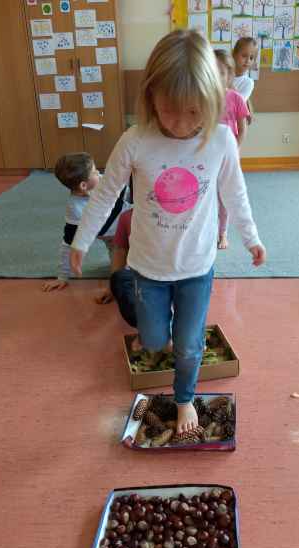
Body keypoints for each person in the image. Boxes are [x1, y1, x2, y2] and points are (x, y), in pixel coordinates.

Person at [69, 29, 267, 434]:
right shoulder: (135, 140)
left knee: (190, 345)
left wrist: (251, 237)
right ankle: (135, 298)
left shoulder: (221, 140)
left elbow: (235, 194)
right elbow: (106, 193)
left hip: (196, 267)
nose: (180, 124)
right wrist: (82, 240)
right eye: (169, 110)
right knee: (155, 339)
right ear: (151, 97)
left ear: (212, 102)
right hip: (148, 267)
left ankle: (184, 399)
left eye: (194, 112)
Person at [42, 152, 130, 292]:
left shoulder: (105, 183)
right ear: (83, 185)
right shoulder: (75, 209)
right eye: (94, 172)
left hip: (131, 229)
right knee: (121, 271)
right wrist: (62, 277)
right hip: (112, 240)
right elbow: (68, 244)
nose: (99, 173)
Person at [214, 49, 250, 250]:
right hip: (208, 156)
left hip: (229, 156)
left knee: (225, 197)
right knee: (207, 195)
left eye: (220, 72)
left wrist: (235, 150)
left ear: (229, 75)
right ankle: (209, 230)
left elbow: (242, 129)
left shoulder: (236, 98)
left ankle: (223, 233)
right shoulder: (204, 98)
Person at [232, 37, 258, 121]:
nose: (247, 61)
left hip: (232, 121)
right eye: (244, 56)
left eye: (251, 58)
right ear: (234, 55)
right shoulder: (224, 73)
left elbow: (238, 103)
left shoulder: (248, 82)